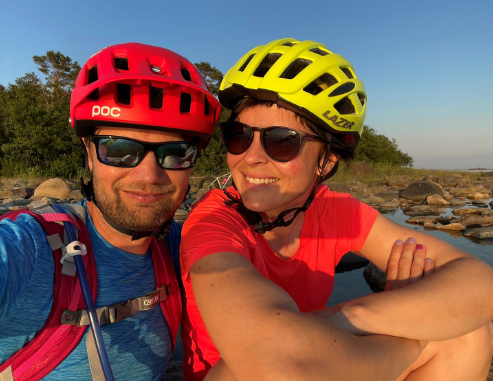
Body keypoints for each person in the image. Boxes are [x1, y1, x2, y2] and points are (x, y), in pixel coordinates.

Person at [180, 38, 493, 381]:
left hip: (322, 361)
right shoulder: (212, 221)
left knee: (468, 334)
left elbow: (479, 281)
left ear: (326, 160)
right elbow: (276, 360)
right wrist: (412, 338)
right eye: (239, 135)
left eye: (281, 140)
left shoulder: (333, 211)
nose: (250, 157)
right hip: (244, 372)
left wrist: (348, 315)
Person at [0, 42, 220, 380]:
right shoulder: (25, 253)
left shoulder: (180, 248)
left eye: (175, 153)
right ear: (88, 153)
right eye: (120, 150)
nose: (149, 175)